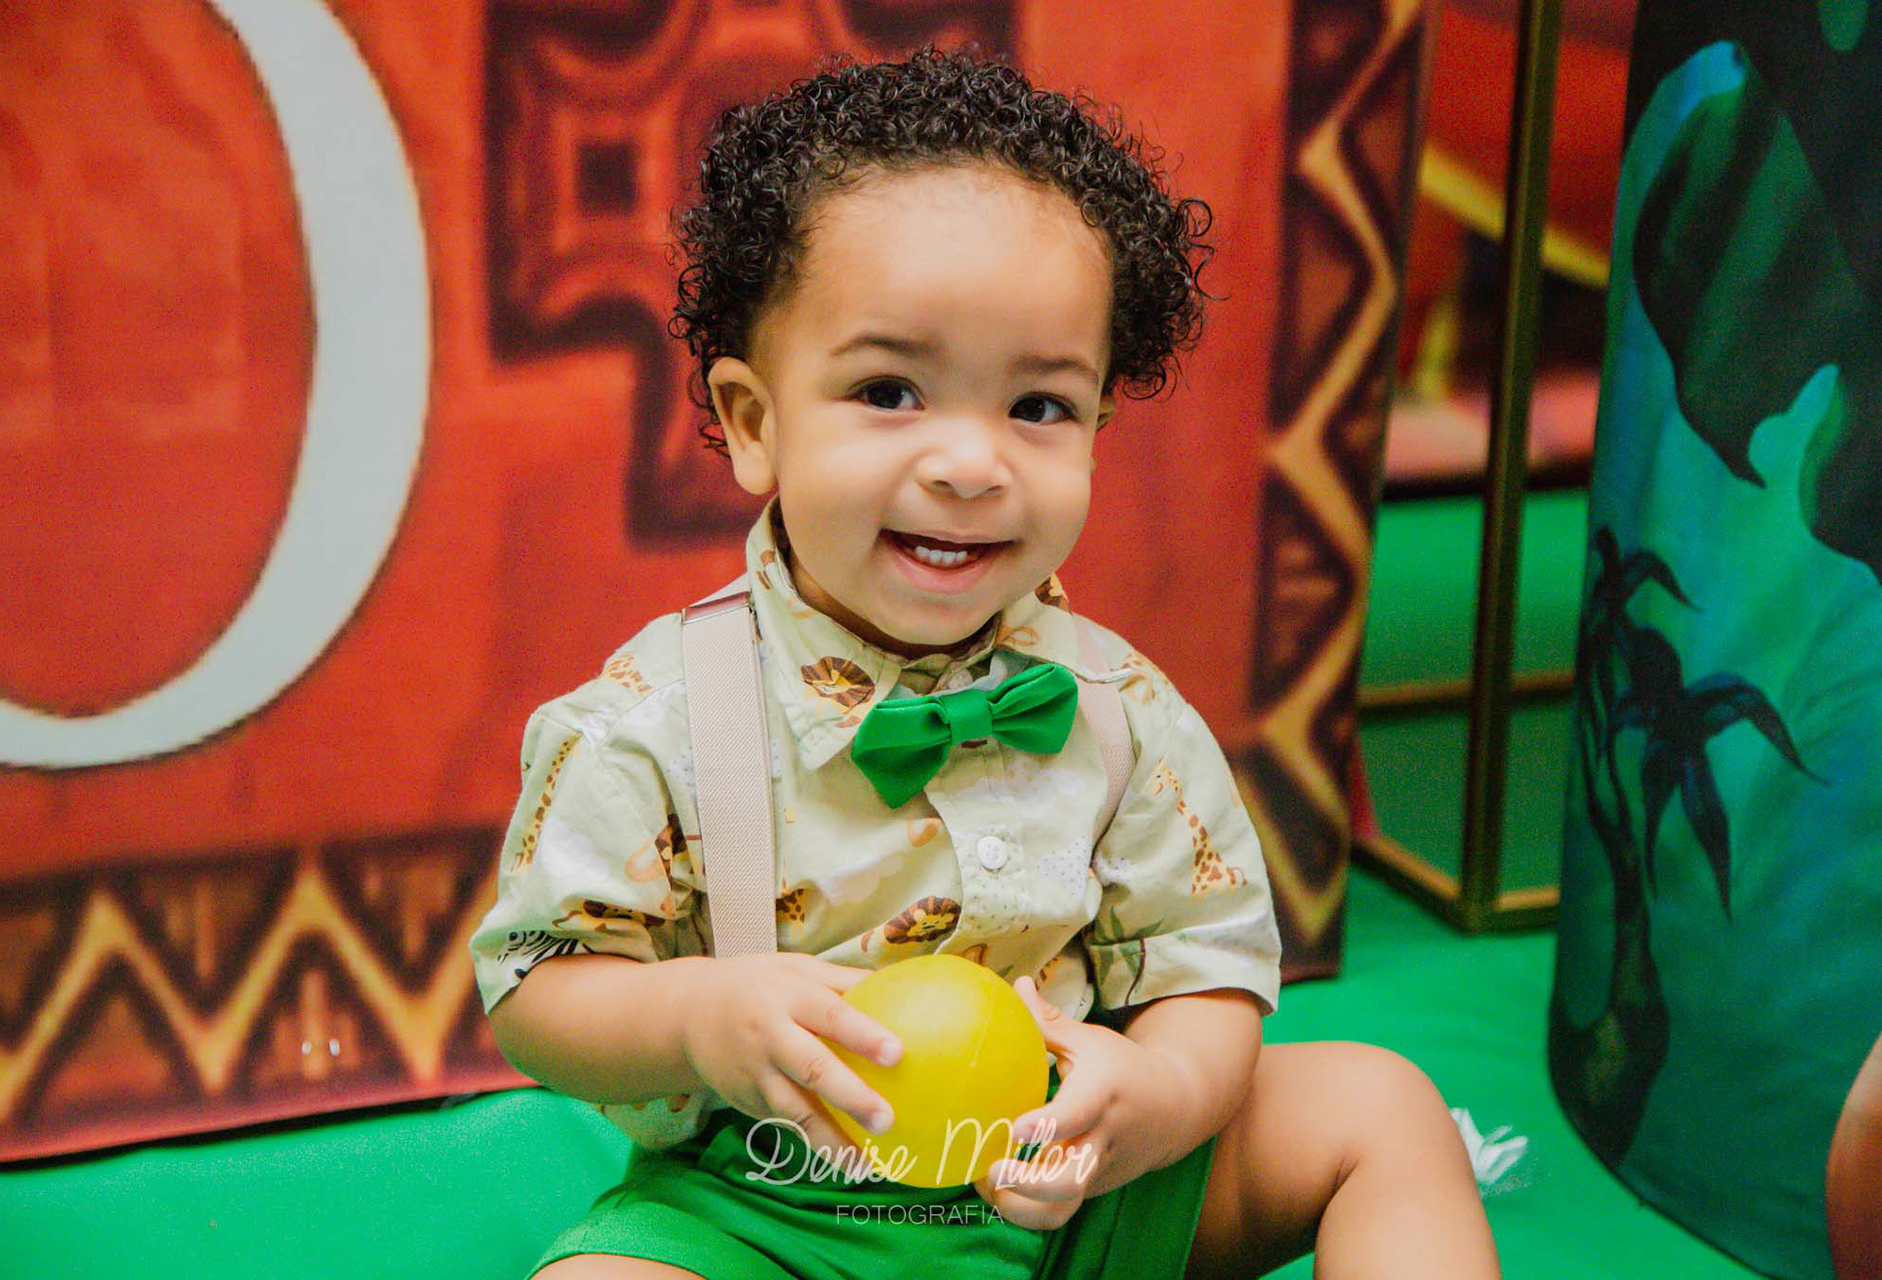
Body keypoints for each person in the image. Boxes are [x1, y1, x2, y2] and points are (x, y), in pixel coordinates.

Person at [471, 46, 1499, 1280]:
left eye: (1038, 407)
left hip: (1073, 1192)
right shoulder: (657, 715)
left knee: (1380, 1103)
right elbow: (535, 984)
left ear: (1099, 426)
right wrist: (699, 1016)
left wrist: (1155, 1092)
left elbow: (1211, 963)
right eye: (889, 389)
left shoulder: (1118, 709)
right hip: (771, 1209)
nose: (971, 463)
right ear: (753, 422)